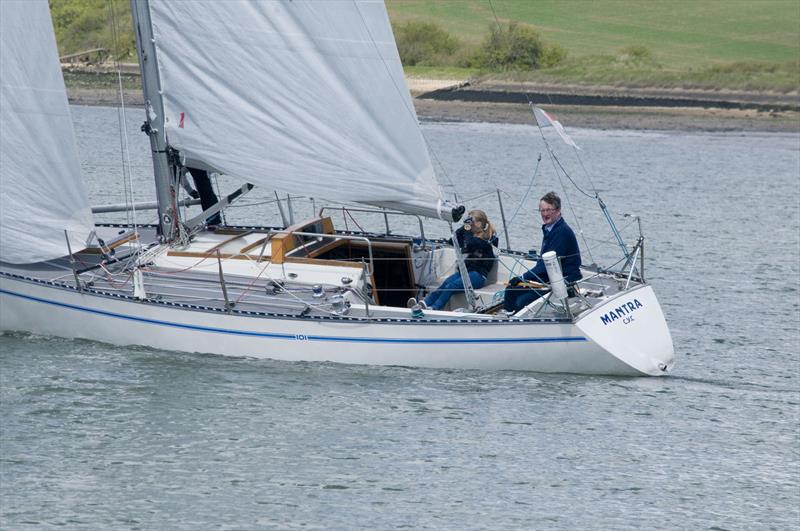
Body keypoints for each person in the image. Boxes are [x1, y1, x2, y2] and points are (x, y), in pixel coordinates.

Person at [503, 191, 581, 313]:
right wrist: (523, 280)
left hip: (563, 281)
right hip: (548, 278)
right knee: (511, 290)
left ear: (558, 210)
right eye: (542, 210)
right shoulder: (550, 228)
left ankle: (519, 323)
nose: (545, 214)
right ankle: (508, 319)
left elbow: (546, 266)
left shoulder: (562, 232)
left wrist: (522, 277)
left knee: (521, 302)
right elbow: (543, 265)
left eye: (549, 210)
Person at [413, 210, 498, 311]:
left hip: (478, 276)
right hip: (465, 273)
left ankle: (434, 308)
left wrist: (467, 228)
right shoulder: (471, 237)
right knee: (445, 284)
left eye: (472, 221)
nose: (469, 224)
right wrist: (464, 227)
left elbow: (471, 244)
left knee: (451, 285)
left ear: (479, 224)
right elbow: (452, 241)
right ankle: (424, 304)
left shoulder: (486, 240)